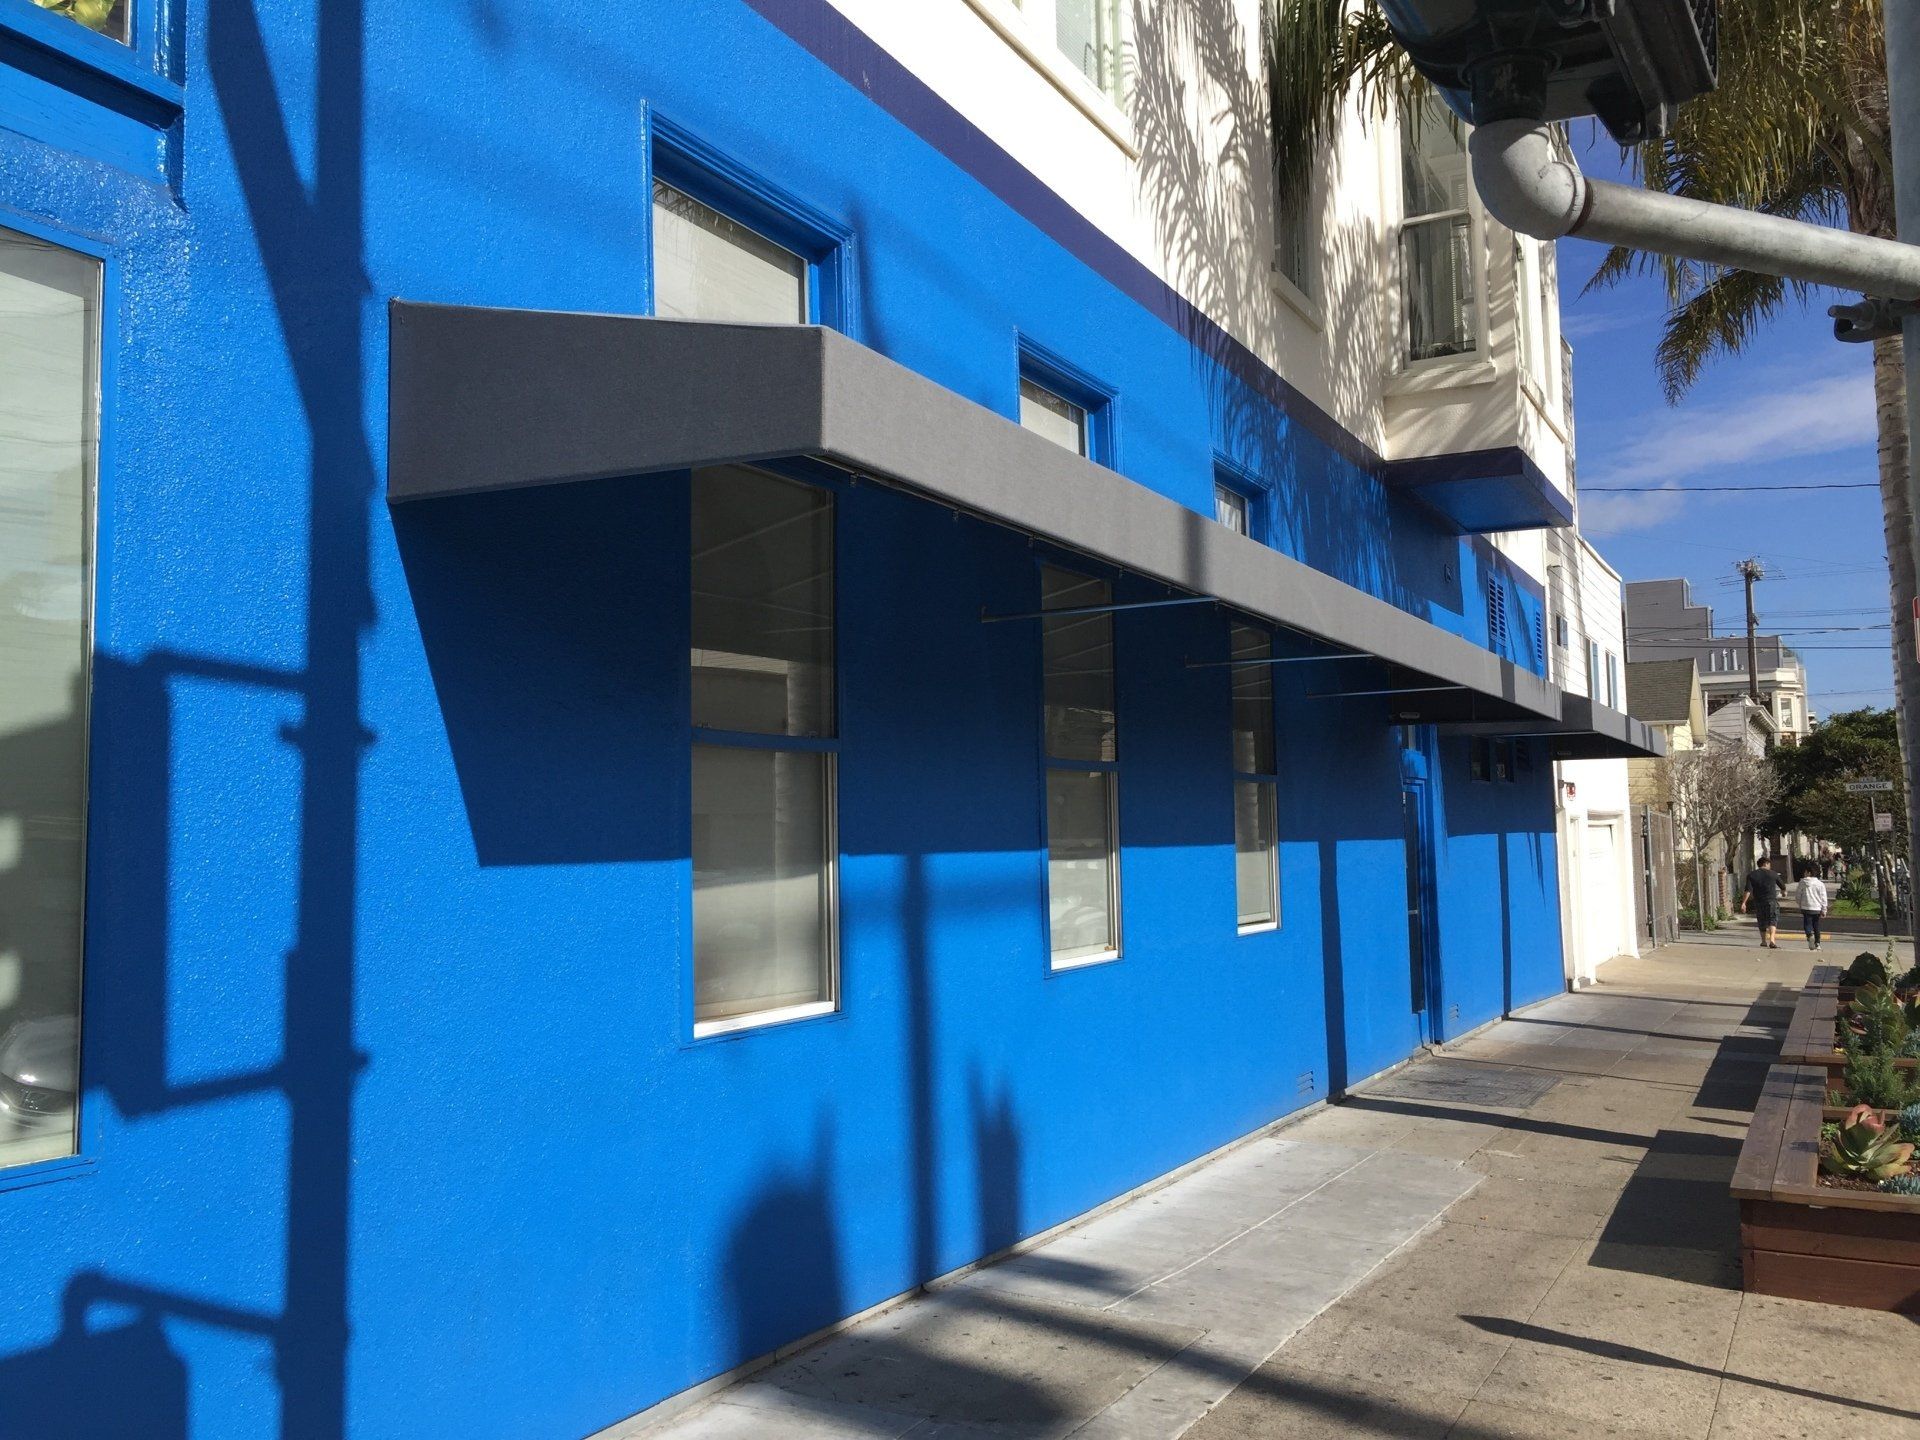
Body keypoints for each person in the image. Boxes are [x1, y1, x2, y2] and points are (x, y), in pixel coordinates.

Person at [1740, 855, 1783, 950]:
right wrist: (1784, 893)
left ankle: (1763, 941)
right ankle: (1772, 940)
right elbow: (1782, 887)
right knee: (1772, 920)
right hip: (1771, 900)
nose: (1770, 867)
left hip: (1759, 901)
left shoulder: (1751, 875)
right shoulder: (1773, 874)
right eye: (1769, 864)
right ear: (1766, 864)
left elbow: (1748, 890)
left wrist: (1744, 903)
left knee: (1761, 920)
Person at [1793, 860, 1828, 951]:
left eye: (1805, 872)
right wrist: (1824, 909)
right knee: (1816, 925)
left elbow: (1798, 895)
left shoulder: (1802, 882)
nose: (1804, 873)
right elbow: (1823, 897)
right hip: (1817, 908)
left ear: (1808, 872)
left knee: (1807, 924)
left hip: (1806, 907)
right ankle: (1818, 943)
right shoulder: (1820, 884)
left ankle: (1809, 935)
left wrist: (1800, 903)